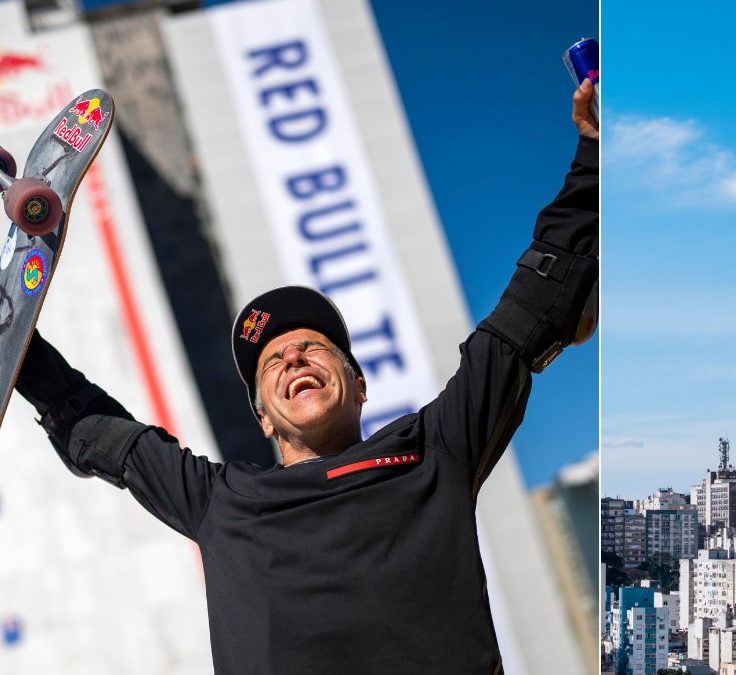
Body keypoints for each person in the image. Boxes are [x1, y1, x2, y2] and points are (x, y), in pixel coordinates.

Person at [14, 81, 599, 675]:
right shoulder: (222, 503)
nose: (292, 358)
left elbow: (529, 311)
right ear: (263, 417)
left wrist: (594, 156)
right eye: (273, 362)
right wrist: (18, 342)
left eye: (313, 348)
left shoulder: (433, 451)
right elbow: (101, 431)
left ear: (360, 383)